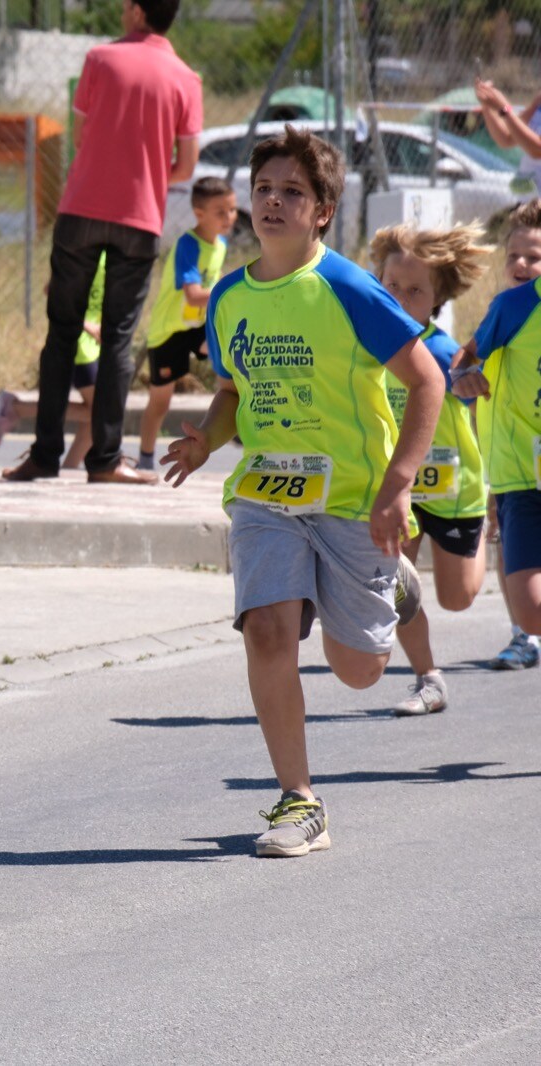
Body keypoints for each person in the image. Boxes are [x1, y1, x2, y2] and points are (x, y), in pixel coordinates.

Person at [163, 126, 443, 858]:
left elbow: (427, 381)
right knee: (266, 630)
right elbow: (232, 391)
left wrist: (398, 485)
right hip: (265, 496)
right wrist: (203, 438)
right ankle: (300, 801)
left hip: (354, 499)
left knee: (359, 670)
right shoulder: (227, 298)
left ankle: (398, 588)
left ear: (322, 210)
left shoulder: (347, 287)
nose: (274, 202)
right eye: (264, 190)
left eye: (293, 192)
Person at [5, 0, 202, 485]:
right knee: (116, 339)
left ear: (136, 11)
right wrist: (151, 176)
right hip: (140, 219)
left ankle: (44, 455)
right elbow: (187, 164)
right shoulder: (186, 78)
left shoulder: (99, 59)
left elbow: (83, 132)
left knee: (63, 332)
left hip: (81, 211)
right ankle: (107, 460)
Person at [368, 224, 493, 715]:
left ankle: (481, 534)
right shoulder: (368, 346)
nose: (399, 298)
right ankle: (428, 678)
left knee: (458, 598)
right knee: (399, 585)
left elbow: (479, 400)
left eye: (415, 290)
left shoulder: (444, 353)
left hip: (455, 491)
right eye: (391, 286)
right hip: (400, 493)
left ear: (437, 298)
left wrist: (470, 385)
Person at [451, 206, 541, 672]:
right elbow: (464, 361)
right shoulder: (512, 308)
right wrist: (464, 378)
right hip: (515, 468)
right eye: (514, 256)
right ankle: (523, 635)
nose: (521, 266)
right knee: (524, 588)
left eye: (534, 256)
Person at [136, 177, 236, 471]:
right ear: (199, 213)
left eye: (231, 210)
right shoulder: (188, 246)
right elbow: (194, 296)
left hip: (196, 328)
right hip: (170, 330)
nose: (229, 217)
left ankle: (237, 425)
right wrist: (226, 291)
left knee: (232, 362)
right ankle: (144, 458)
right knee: (160, 402)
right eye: (221, 211)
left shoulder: (221, 244)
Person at [0, 254, 107, 469]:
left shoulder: (114, 254)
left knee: (98, 414)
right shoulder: (83, 249)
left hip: (96, 344)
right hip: (81, 342)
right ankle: (15, 408)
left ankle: (69, 468)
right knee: (101, 411)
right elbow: (52, 291)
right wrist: (86, 325)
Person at [474, 79, 541, 181]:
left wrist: (503, 108)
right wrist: (487, 103)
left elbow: (537, 149)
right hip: (529, 190)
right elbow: (506, 138)